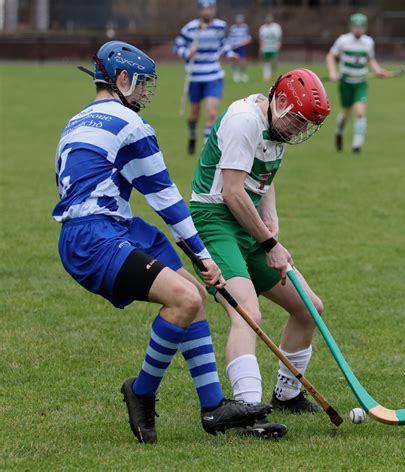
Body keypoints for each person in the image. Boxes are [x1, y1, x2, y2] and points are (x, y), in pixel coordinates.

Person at [52, 40, 271, 445]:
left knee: (193, 295)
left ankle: (213, 407)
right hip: (94, 236)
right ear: (121, 79)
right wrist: (204, 257)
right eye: (141, 84)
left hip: (106, 226)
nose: (145, 93)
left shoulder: (78, 120)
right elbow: (167, 201)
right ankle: (141, 392)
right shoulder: (130, 125)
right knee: (185, 299)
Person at [189, 68, 331, 438]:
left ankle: (287, 395)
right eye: (299, 122)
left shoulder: (277, 124)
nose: (300, 130)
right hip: (215, 222)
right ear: (280, 101)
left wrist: (271, 220)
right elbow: (232, 192)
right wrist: (271, 245)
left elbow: (262, 181)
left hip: (247, 222)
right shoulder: (243, 121)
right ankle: (247, 413)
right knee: (247, 313)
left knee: (308, 307)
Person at [175, 0, 237, 155]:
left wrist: (230, 55)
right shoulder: (190, 28)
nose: (208, 12)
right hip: (195, 76)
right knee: (194, 113)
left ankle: (205, 149)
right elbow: (177, 45)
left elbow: (224, 45)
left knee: (211, 113)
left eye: (210, 8)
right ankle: (192, 134)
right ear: (200, 11)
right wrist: (187, 53)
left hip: (213, 75)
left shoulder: (220, 26)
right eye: (205, 9)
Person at [326, 13, 391, 153]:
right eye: (355, 27)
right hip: (345, 83)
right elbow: (331, 56)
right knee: (345, 113)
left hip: (361, 82)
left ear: (365, 28)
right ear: (351, 27)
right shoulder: (343, 40)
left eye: (360, 27)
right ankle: (339, 132)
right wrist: (332, 72)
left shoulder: (368, 42)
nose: (358, 30)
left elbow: (370, 59)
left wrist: (378, 70)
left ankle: (357, 145)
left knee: (360, 112)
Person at [228, 14, 252, 83]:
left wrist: (246, 41)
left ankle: (243, 74)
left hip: (241, 46)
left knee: (243, 61)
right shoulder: (233, 28)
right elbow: (230, 38)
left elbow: (248, 37)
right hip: (234, 46)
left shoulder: (245, 27)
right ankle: (236, 74)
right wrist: (230, 45)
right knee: (234, 61)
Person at [259, 14, 282, 82]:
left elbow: (279, 37)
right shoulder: (263, 28)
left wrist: (279, 44)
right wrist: (261, 47)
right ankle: (267, 75)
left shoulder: (276, 27)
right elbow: (261, 39)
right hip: (266, 47)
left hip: (273, 47)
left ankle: (275, 75)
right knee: (266, 61)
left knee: (274, 61)